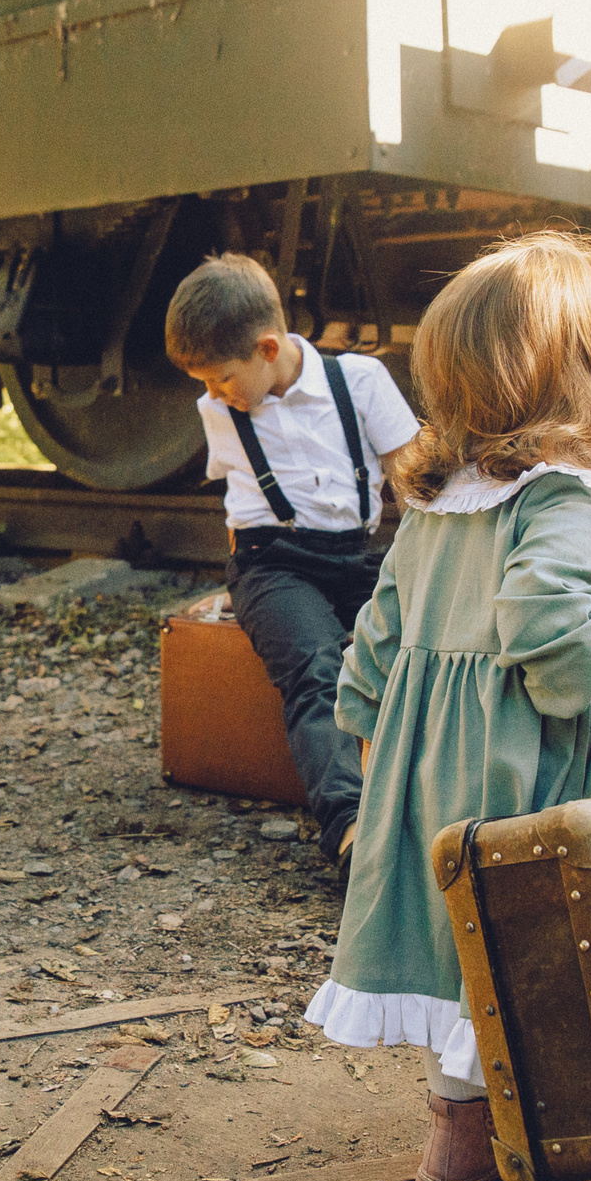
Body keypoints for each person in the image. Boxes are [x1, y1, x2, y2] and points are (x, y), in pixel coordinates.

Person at [304, 229, 591, 1181]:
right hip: (520, 784)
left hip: (430, 785)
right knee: (539, 973)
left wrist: (392, 748)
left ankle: (460, 1146)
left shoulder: (438, 503)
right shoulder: (558, 497)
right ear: (585, 373)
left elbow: (374, 643)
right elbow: (551, 629)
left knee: (462, 956)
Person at [167, 254, 421, 869]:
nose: (213, 394)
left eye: (222, 377)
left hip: (358, 557)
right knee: (317, 665)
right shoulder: (219, 410)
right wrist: (245, 598)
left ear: (268, 347)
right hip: (272, 563)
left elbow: (416, 480)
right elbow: (241, 507)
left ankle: (426, 805)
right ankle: (352, 831)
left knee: (415, 658)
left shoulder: (358, 382)